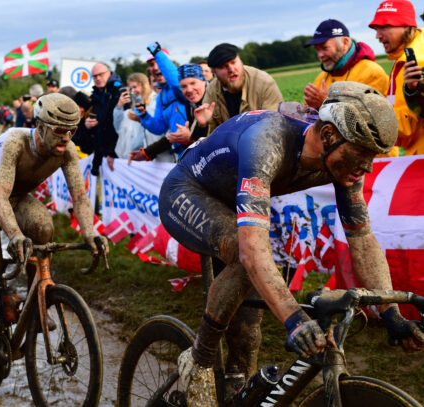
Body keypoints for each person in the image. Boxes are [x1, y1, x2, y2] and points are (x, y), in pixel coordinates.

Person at [159, 82, 424, 406]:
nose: (367, 167)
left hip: (233, 200)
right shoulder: (267, 142)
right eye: (362, 154)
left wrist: (391, 312)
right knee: (247, 262)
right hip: (188, 191)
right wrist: (294, 318)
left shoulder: (343, 159)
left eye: (374, 156)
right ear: (328, 135)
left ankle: (235, 389)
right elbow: (251, 251)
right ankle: (198, 360)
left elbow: (361, 237)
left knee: (248, 326)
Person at [0, 92, 108, 393]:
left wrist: (90, 232)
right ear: (40, 126)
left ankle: (36, 304)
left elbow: (79, 197)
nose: (65, 139)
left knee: (44, 227)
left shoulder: (66, 150)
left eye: (72, 132)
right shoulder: (15, 141)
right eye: (59, 131)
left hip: (15, 197)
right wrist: (15, 235)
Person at [369, 0, 424, 155]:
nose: (378, 36)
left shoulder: (417, 62)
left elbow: (408, 124)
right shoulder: (406, 54)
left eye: (385, 27)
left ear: (406, 25)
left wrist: (365, 117)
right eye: (376, 28)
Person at [198, 43, 283, 135]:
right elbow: (209, 136)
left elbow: (273, 123)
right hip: (226, 145)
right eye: (223, 67)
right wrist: (203, 125)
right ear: (214, 72)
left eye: (233, 62)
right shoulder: (212, 90)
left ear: (241, 61)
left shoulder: (264, 82)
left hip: (260, 140)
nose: (231, 69)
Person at [128, 64, 208, 163]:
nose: (189, 89)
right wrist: (147, 152)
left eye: (193, 83)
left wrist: (157, 52)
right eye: (183, 86)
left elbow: (222, 136)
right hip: (185, 158)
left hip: (211, 162)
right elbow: (170, 134)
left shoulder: (212, 99)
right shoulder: (163, 97)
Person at [304, 19, 389, 109]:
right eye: (317, 50)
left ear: (345, 43)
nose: (320, 55)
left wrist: (326, 103)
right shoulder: (321, 78)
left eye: (325, 48)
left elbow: (373, 116)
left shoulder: (372, 73)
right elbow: (308, 114)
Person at [133, 42, 187, 160]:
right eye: (151, 65)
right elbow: (159, 128)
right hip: (180, 153)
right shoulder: (161, 95)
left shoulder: (183, 85)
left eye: (157, 63)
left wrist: (157, 53)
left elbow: (175, 82)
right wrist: (144, 116)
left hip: (196, 146)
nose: (155, 68)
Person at [110, 72, 172, 167]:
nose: (133, 91)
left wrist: (141, 119)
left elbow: (158, 128)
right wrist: (119, 107)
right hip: (144, 157)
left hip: (161, 155)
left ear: (144, 85)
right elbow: (119, 128)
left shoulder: (155, 102)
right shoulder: (134, 107)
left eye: (135, 87)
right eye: (131, 88)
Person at [84, 62, 122, 175]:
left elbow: (121, 126)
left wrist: (113, 152)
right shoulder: (95, 94)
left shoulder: (118, 92)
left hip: (116, 153)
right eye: (95, 76)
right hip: (99, 152)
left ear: (109, 73)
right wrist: (88, 124)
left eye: (101, 74)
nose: (98, 78)